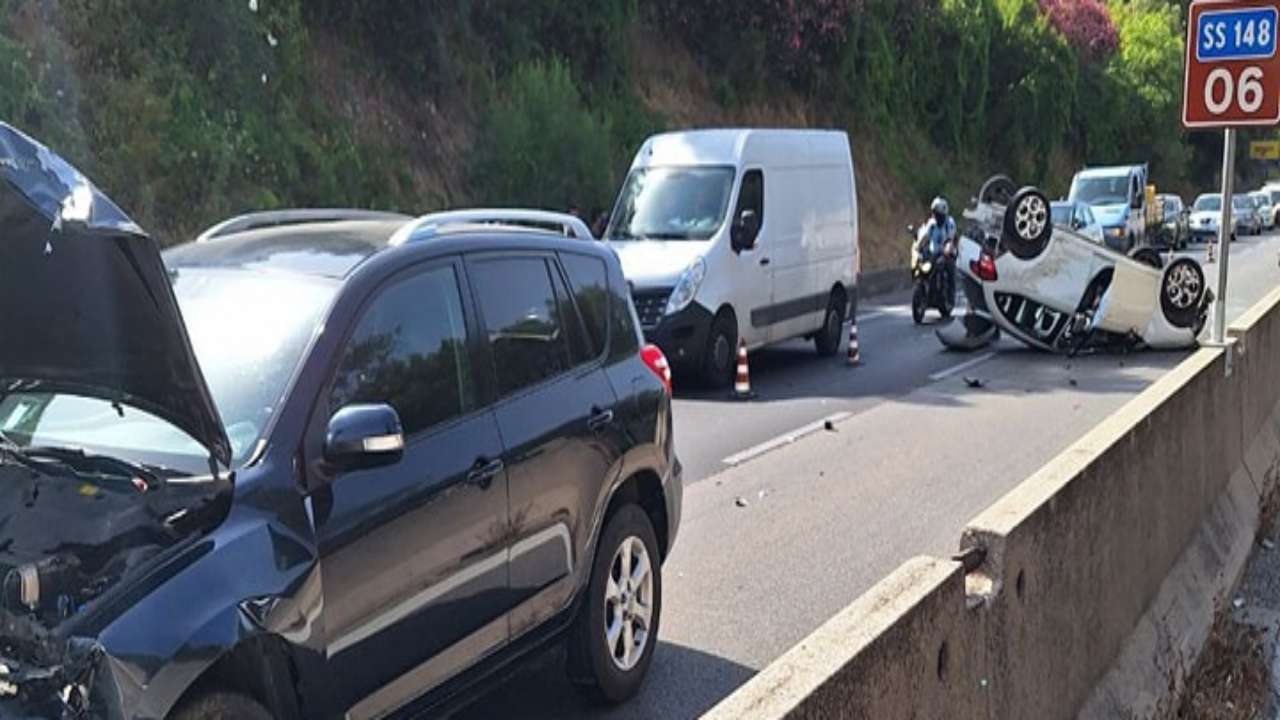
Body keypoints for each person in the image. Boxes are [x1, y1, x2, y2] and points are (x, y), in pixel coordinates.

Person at [916, 196, 957, 295]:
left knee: (950, 267)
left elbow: (951, 238)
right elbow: (925, 236)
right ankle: (926, 287)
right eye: (934, 213)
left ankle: (950, 293)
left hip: (947, 254)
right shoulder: (931, 223)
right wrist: (918, 247)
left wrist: (947, 249)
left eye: (937, 214)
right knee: (923, 266)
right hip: (933, 254)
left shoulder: (949, 222)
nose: (935, 216)